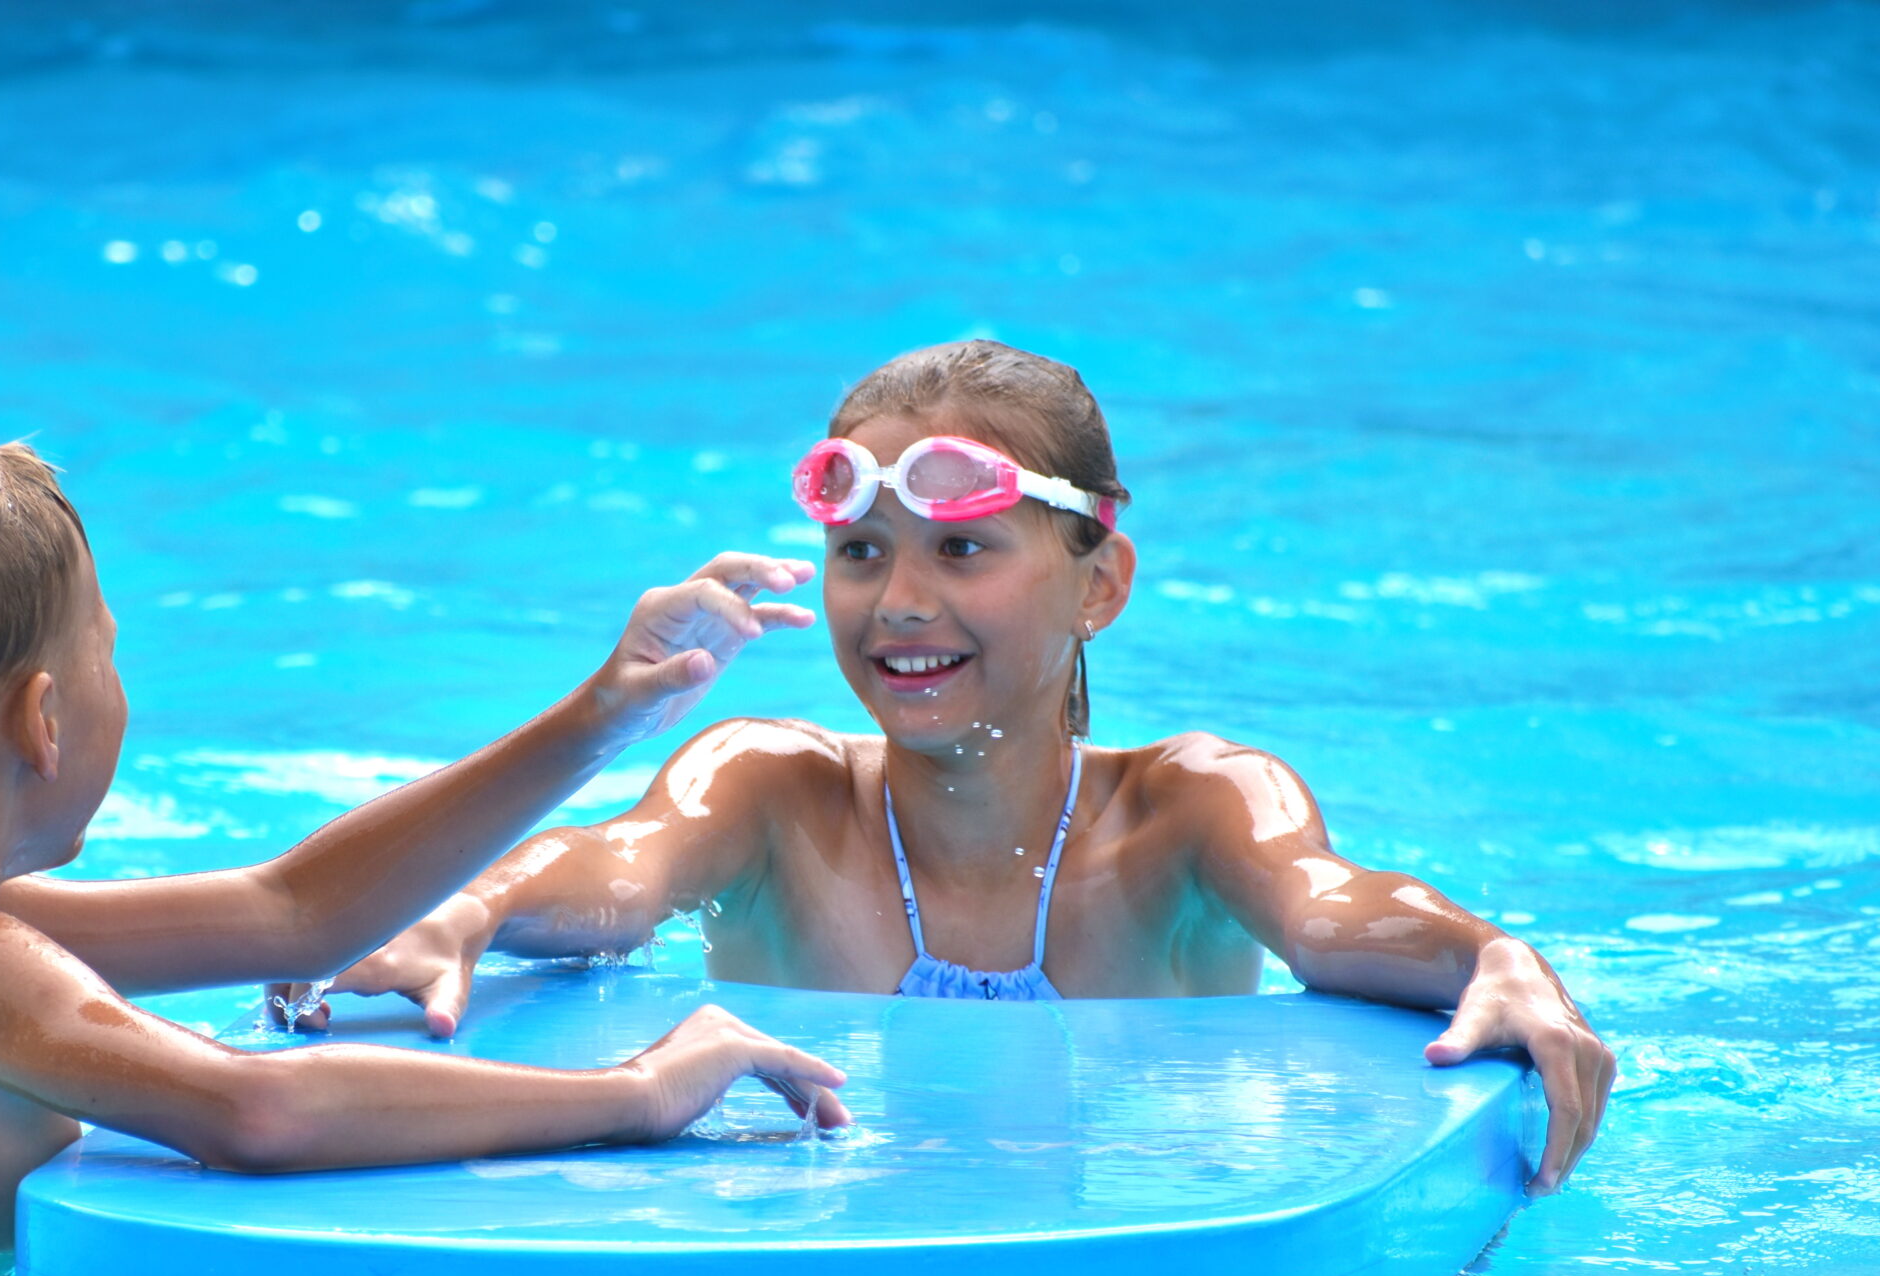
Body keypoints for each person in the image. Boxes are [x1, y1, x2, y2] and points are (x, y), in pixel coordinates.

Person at [279, 341, 1615, 1195]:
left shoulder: (1195, 808)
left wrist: (1494, 954)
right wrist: (471, 904)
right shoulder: (772, 787)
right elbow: (620, 870)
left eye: (961, 552)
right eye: (861, 553)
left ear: (1101, 588)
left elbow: (1332, 911)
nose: (898, 599)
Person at [0, 429, 847, 1276]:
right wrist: (634, 1094)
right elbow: (258, 1112)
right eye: (109, 655)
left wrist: (601, 718)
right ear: (42, 721)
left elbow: (293, 914)